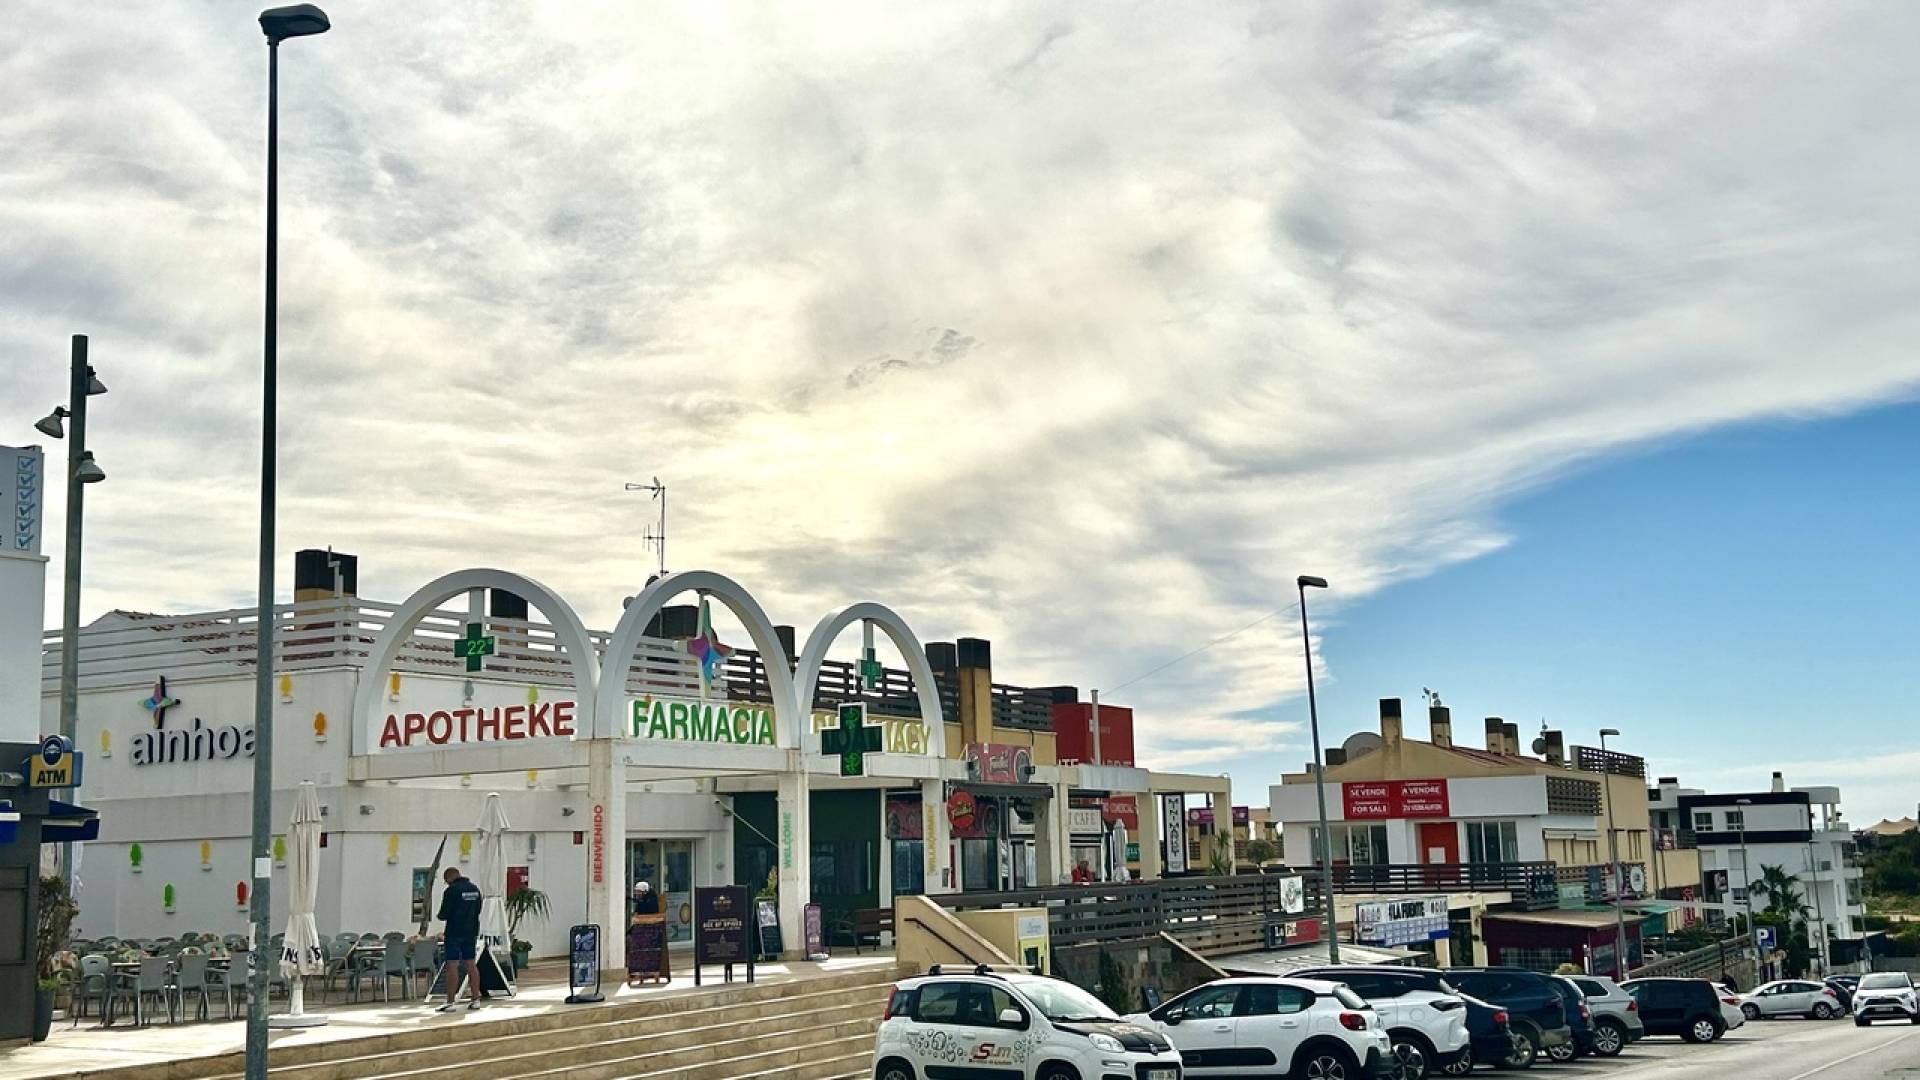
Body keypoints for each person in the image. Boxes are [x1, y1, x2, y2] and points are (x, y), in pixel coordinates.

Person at [434, 866, 483, 1012]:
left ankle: (450, 1002)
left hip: (454, 932)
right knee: (471, 964)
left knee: (452, 965)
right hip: (471, 931)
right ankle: (476, 999)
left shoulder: (451, 890)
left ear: (449, 878)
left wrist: (440, 916)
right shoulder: (475, 889)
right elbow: (478, 909)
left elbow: (444, 913)